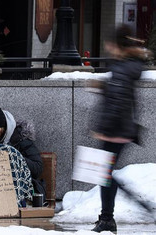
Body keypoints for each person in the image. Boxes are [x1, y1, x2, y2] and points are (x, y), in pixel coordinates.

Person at [89, 24, 149, 233]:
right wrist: (104, 87)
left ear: (116, 45)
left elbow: (117, 102)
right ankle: (107, 217)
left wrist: (103, 130)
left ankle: (111, 217)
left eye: (110, 43)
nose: (107, 47)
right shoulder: (126, 65)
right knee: (104, 173)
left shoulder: (122, 68)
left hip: (115, 130)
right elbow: (119, 96)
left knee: (104, 173)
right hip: (121, 129)